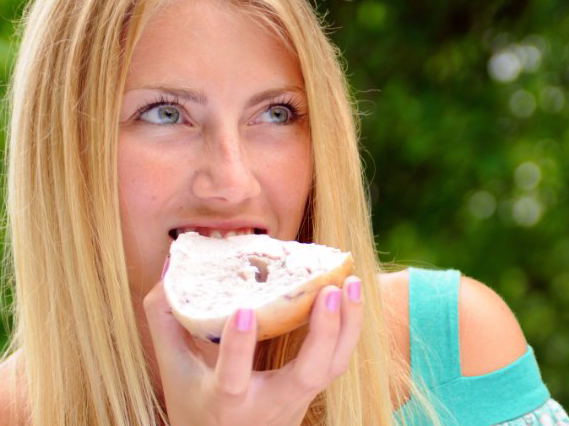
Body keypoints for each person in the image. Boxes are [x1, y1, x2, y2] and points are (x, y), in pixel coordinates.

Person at [0, 0, 567, 425]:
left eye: (274, 113)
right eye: (165, 113)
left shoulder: (454, 351)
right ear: (64, 154)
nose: (232, 181)